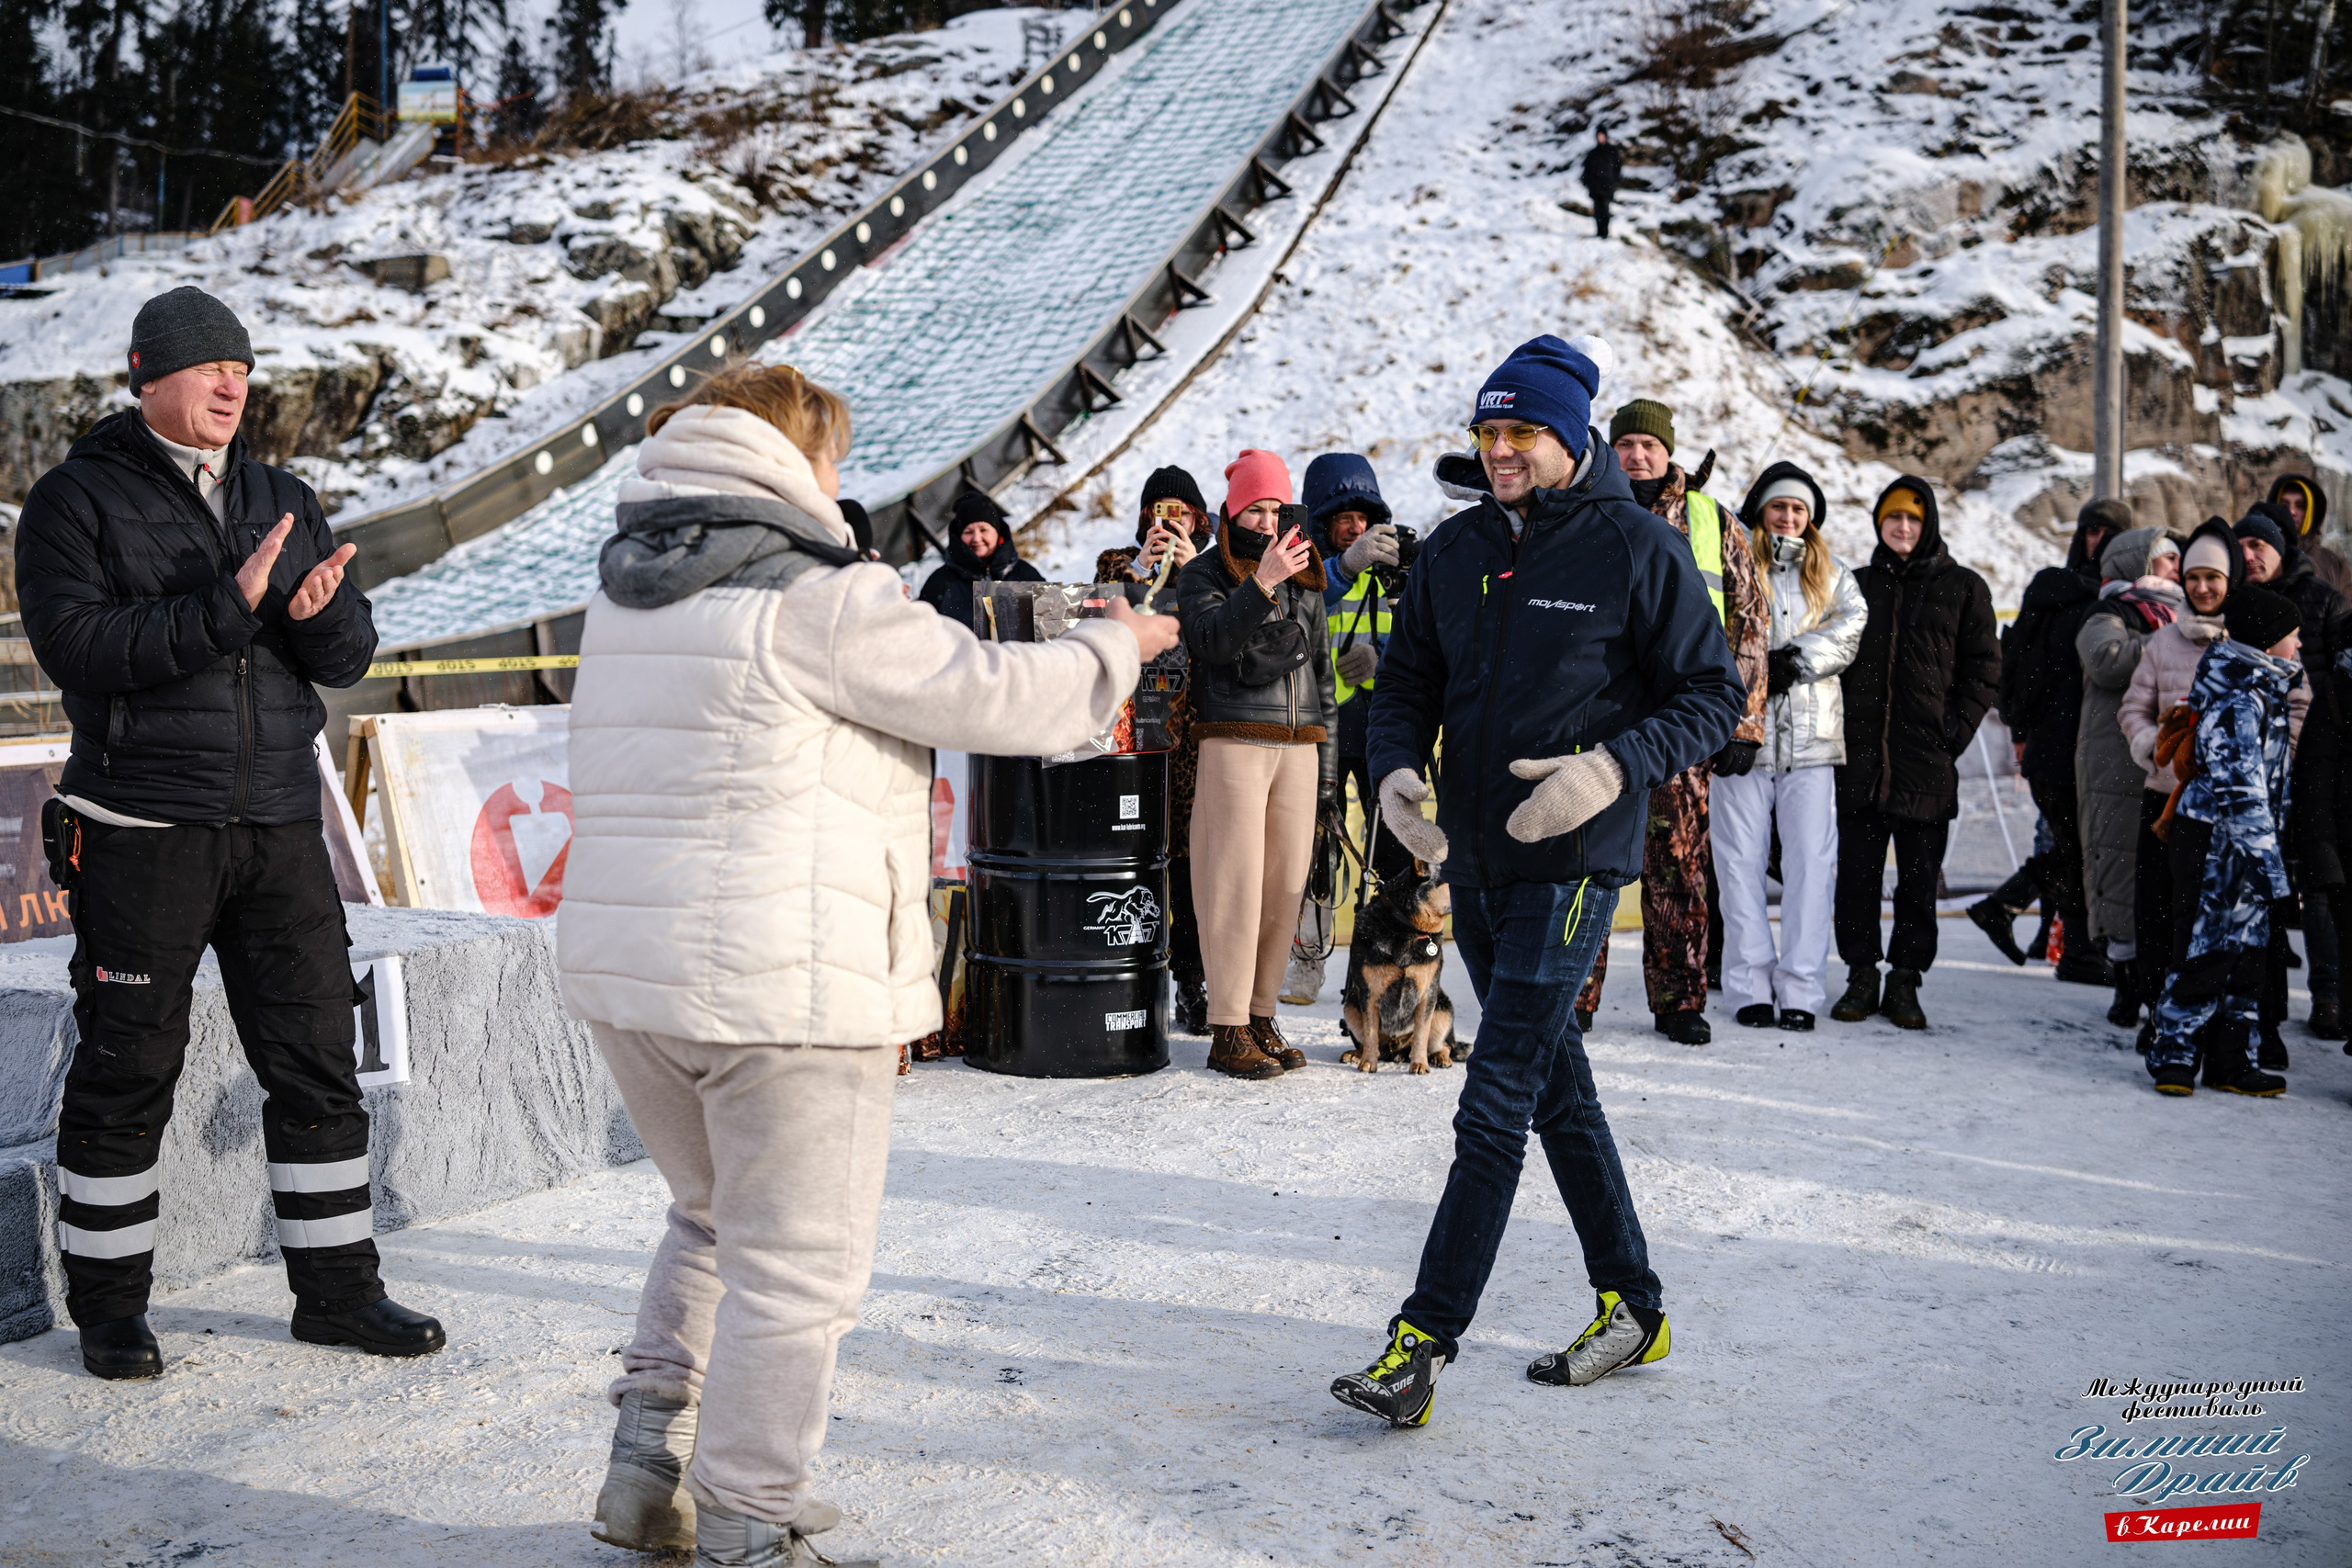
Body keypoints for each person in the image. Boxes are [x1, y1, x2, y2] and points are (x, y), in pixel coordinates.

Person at [559, 363, 1178, 1561]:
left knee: (708, 1215)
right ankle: (748, 1515)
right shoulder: (819, 593)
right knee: (797, 1272)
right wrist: (1118, 644)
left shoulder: (627, 590)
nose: (839, 478)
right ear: (789, 460)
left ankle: (647, 1465)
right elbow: (994, 695)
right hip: (782, 986)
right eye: (830, 454)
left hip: (637, 977)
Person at [14, 286, 438, 1382]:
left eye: (242, 371)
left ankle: (339, 1293)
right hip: (144, 829)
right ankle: (110, 1312)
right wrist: (233, 602)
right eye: (208, 370)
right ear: (148, 377)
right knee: (126, 1069)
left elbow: (344, 658)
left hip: (280, 827)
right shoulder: (75, 501)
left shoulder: (280, 492)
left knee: (315, 1065)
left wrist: (319, 615)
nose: (230, 387)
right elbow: (79, 648)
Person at [1329, 333, 1745, 1427]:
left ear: (1571, 438)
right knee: (1557, 1086)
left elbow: (1713, 695)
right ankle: (1633, 1302)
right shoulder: (1457, 547)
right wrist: (1392, 777)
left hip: (1574, 856)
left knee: (1498, 1093)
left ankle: (1420, 1343)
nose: (1499, 448)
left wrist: (1610, 768)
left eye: (1521, 432)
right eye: (1486, 430)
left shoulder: (1635, 547)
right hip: (1473, 858)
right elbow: (1404, 682)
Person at [1570, 400, 1768, 1044]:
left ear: (1669, 451)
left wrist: (1743, 719)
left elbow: (1751, 620)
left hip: (1684, 721)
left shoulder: (1712, 521)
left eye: (1648, 445)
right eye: (1624, 444)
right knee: (1587, 859)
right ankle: (1575, 995)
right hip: (1603, 719)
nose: (1636, 456)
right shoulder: (1586, 514)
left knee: (1679, 864)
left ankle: (1680, 999)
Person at [1171, 449, 1335, 1079]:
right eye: (1256, 507)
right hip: (1234, 740)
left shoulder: (1308, 571)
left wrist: (1326, 776)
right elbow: (1211, 642)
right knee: (1232, 885)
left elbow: (1322, 676)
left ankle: (1261, 1015)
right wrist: (1261, 583)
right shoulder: (1206, 572)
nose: (1267, 520)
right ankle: (1227, 1025)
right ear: (1232, 508)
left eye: (1276, 507)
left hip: (1300, 744)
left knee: (1283, 886)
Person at [2119, 518, 2308, 1050]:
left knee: (2245, 936)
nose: (2203, 587)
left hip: (2241, 817)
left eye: (2214, 578)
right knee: (2180, 925)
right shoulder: (2164, 641)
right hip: (2176, 800)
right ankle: (2171, 1027)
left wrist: (2275, 760)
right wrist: (2158, 748)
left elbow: (2296, 707)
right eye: (2194, 577)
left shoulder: (2258, 633)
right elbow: (2134, 707)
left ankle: (2246, 1033)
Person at [1827, 477, 2000, 1030]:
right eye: (1893, 518)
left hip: (1926, 761)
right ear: (1879, 523)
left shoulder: (1964, 588)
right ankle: (1861, 974)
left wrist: (1952, 732)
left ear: (1929, 528)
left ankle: (1905, 979)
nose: (1903, 528)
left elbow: (1984, 670)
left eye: (1914, 520)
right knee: (1857, 875)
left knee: (1919, 880)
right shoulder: (1854, 585)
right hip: (1860, 761)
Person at [1713, 462, 1863, 1032]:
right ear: (1761, 510)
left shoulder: (1832, 573)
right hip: (1741, 738)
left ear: (1812, 519)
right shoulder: (1735, 565)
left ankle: (1801, 987)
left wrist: (1795, 658)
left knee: (1811, 866)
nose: (1789, 517)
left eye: (1799, 509)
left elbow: (1852, 626)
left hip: (1812, 743)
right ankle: (1749, 985)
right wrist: (1747, 670)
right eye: (1780, 506)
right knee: (1737, 864)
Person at [2143, 583, 2301, 1099]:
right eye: (2293, 637)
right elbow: (2241, 794)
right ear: (2269, 640)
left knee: (2247, 951)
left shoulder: (2262, 690)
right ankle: (2175, 1053)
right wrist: (2275, 874)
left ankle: (2233, 1059)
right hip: (2215, 840)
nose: (2298, 646)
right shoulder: (2238, 699)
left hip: (2247, 847)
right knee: (2206, 946)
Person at [1969, 499, 2130, 981]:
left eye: (2109, 532)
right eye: (2091, 530)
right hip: (2065, 750)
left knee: (2077, 850)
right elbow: (2026, 672)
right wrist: (2023, 731)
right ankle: (2062, 943)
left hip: (2064, 748)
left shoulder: (2060, 594)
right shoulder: (2079, 600)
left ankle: (2043, 931)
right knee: (2081, 852)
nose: (2098, 540)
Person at [1281, 452, 1412, 1005]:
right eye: (1343, 518)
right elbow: (1297, 610)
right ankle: (1306, 960)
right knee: (1314, 848)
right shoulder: (1303, 564)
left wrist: (1384, 660)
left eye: (1364, 518)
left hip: (1380, 725)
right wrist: (1345, 568)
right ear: (1322, 522)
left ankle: (1391, 962)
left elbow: (1425, 644)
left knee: (1392, 848)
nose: (1356, 528)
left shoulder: (1396, 567)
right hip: (1320, 728)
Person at [1098, 465, 1216, 1032]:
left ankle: (1192, 983)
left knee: (1190, 869)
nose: (1168, 521)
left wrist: (1192, 569)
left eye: (1180, 511)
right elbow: (1101, 611)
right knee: (1134, 863)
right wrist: (1143, 568)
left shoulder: (1215, 568)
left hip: (1193, 737)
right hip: (1135, 737)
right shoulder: (1116, 563)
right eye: (1159, 511)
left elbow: (1226, 624)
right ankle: (1130, 981)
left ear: (1198, 517)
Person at [2237, 505, 2352, 1059]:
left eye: (2260, 546)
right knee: (2278, 895)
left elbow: (2323, 678)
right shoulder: (2235, 607)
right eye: (2243, 547)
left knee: (2318, 890)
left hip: (2318, 755)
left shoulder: (2325, 601)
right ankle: (2274, 1013)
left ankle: (2326, 998)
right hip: (2290, 771)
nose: (2249, 557)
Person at [2073, 527, 2184, 1029]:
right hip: (2114, 762)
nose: (2176, 569)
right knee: (2119, 871)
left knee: (2159, 875)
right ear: (2136, 563)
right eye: (2165, 560)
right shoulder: (2108, 613)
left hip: (2167, 760)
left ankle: (2157, 984)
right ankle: (2124, 983)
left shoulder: (2185, 615)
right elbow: (2105, 660)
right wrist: (2172, 644)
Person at [915, 488, 1044, 628]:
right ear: (958, 537)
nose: (976, 539)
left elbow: (1057, 631)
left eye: (983, 530)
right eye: (968, 532)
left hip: (1018, 651)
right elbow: (921, 633)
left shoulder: (1025, 574)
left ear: (998, 534)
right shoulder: (941, 581)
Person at [2269, 472, 2346, 596]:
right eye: (2284, 504)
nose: (2292, 511)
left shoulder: (2333, 563)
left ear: (2312, 511)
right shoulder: (2260, 555)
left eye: (2301, 506)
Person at [1580, 129, 1623, 240]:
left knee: (1605, 209)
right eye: (1599, 136)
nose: (1600, 138)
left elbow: (1618, 167)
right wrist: (1587, 182)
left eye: (1602, 136)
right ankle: (1599, 232)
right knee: (1598, 210)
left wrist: (1614, 180)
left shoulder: (1612, 151)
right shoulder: (1593, 153)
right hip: (1595, 186)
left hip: (1607, 186)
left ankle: (1605, 233)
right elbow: (1586, 170)